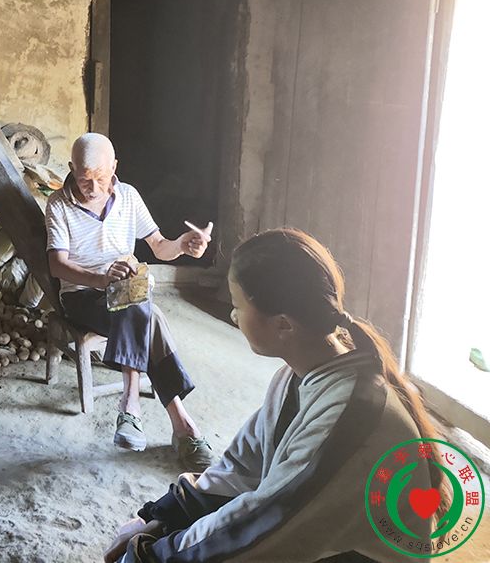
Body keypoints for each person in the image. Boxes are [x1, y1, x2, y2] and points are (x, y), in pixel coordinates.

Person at [105, 228, 445, 563]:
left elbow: (262, 524)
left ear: (284, 324)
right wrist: (159, 518)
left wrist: (148, 554)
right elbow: (241, 468)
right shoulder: (295, 377)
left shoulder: (348, 416)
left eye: (238, 305)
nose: (233, 315)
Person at [46, 133, 213, 469]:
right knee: (148, 314)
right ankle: (174, 422)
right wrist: (101, 279)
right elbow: (57, 265)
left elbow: (160, 246)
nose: (93, 188)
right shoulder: (58, 204)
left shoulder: (128, 197)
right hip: (83, 295)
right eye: (84, 179)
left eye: (101, 178)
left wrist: (183, 244)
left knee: (135, 302)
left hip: (126, 292)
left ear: (114, 168)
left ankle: (137, 411)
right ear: (72, 169)